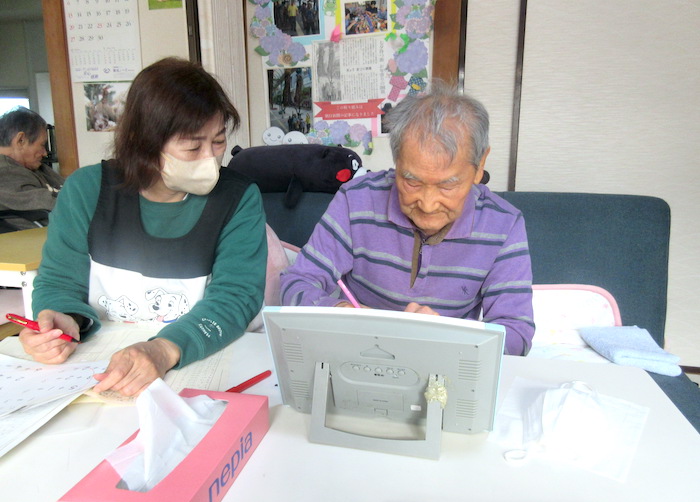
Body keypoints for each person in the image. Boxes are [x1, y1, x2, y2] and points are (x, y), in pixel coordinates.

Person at [19, 57, 267, 396]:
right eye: (193, 146)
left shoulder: (238, 198)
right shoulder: (86, 191)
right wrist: (61, 319)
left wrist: (165, 349)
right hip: (96, 368)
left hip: (196, 361)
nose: (211, 157)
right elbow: (59, 281)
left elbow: (236, 296)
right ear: (144, 142)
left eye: (219, 141)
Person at [280, 82, 534, 355]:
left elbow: (517, 333)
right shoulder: (356, 200)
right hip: (361, 352)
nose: (427, 204)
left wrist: (448, 339)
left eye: (447, 185)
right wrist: (340, 312)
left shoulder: (504, 224)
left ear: (480, 165)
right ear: (397, 161)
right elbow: (296, 283)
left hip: (448, 362)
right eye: (411, 181)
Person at [0, 107, 64, 230]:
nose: (45, 153)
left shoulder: (33, 166)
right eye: (42, 145)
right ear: (21, 140)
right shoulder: (4, 172)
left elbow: (69, 189)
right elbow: (56, 203)